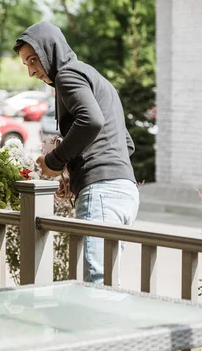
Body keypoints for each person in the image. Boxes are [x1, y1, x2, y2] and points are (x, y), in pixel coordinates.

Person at [13, 21, 139, 284]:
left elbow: (91, 121)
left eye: (33, 60)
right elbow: (125, 144)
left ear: (50, 51)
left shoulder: (67, 75)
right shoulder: (92, 75)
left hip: (103, 194)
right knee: (108, 284)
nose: (31, 71)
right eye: (26, 64)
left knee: (96, 284)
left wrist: (53, 162)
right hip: (125, 192)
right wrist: (74, 174)